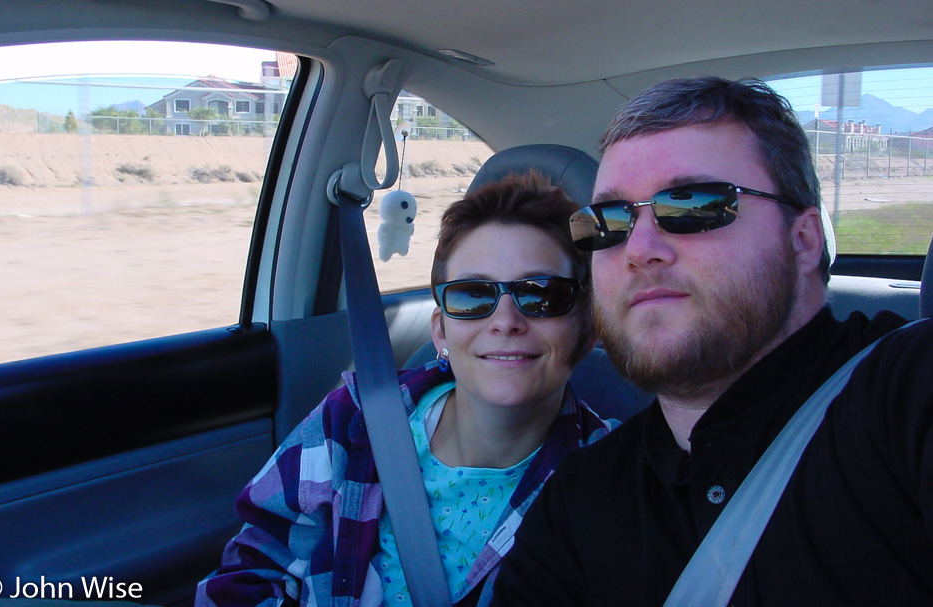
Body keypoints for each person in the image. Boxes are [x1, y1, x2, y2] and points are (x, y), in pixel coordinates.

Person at [492, 77, 933, 605]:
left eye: (693, 204)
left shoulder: (908, 394)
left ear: (803, 240)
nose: (639, 249)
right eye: (610, 222)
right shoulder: (580, 497)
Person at [195, 171, 615, 607]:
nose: (505, 320)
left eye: (541, 294)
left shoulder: (611, 482)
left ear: (587, 330)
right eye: (472, 296)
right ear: (441, 332)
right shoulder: (354, 420)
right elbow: (255, 564)